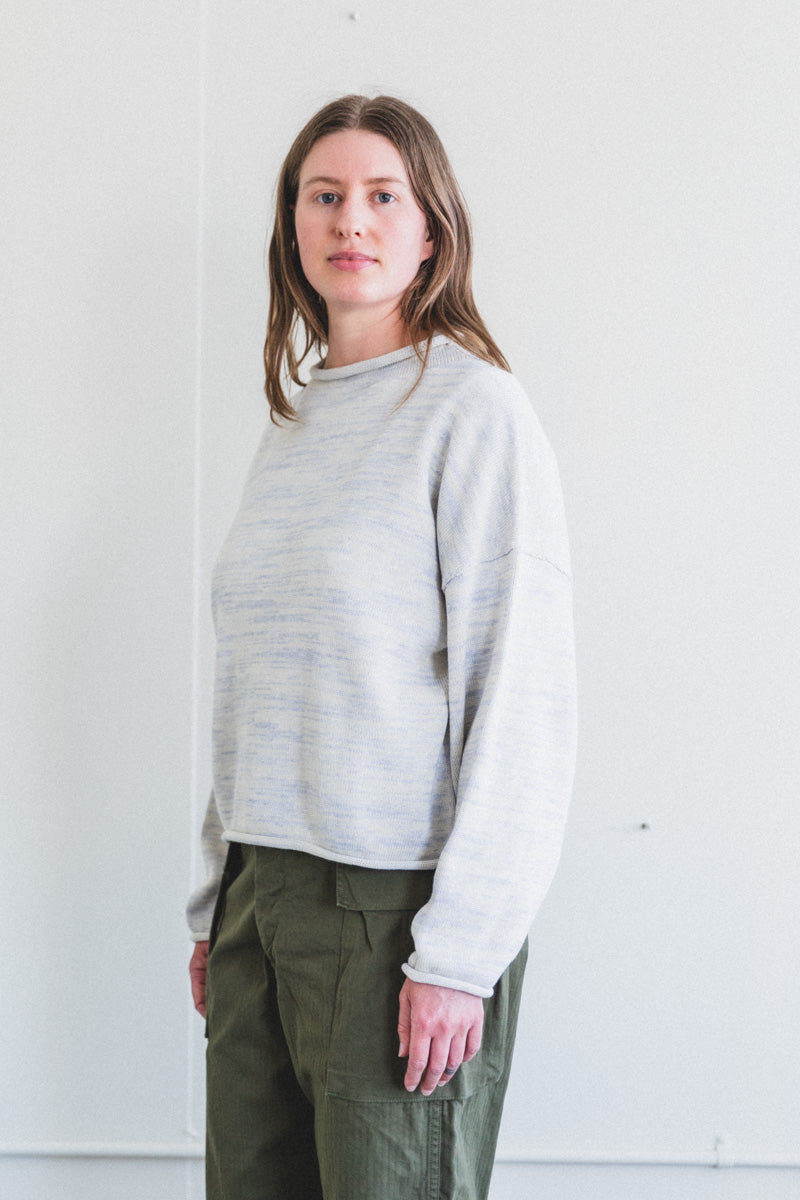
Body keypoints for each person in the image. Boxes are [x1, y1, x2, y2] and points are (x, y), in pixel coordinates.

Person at [186, 93, 577, 1200]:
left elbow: (522, 697)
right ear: (292, 225)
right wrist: (217, 902)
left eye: (381, 196)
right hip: (261, 895)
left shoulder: (472, 411)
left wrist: (460, 953)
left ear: (431, 231)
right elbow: (259, 686)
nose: (348, 219)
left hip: (395, 912)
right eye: (323, 195)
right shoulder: (296, 424)